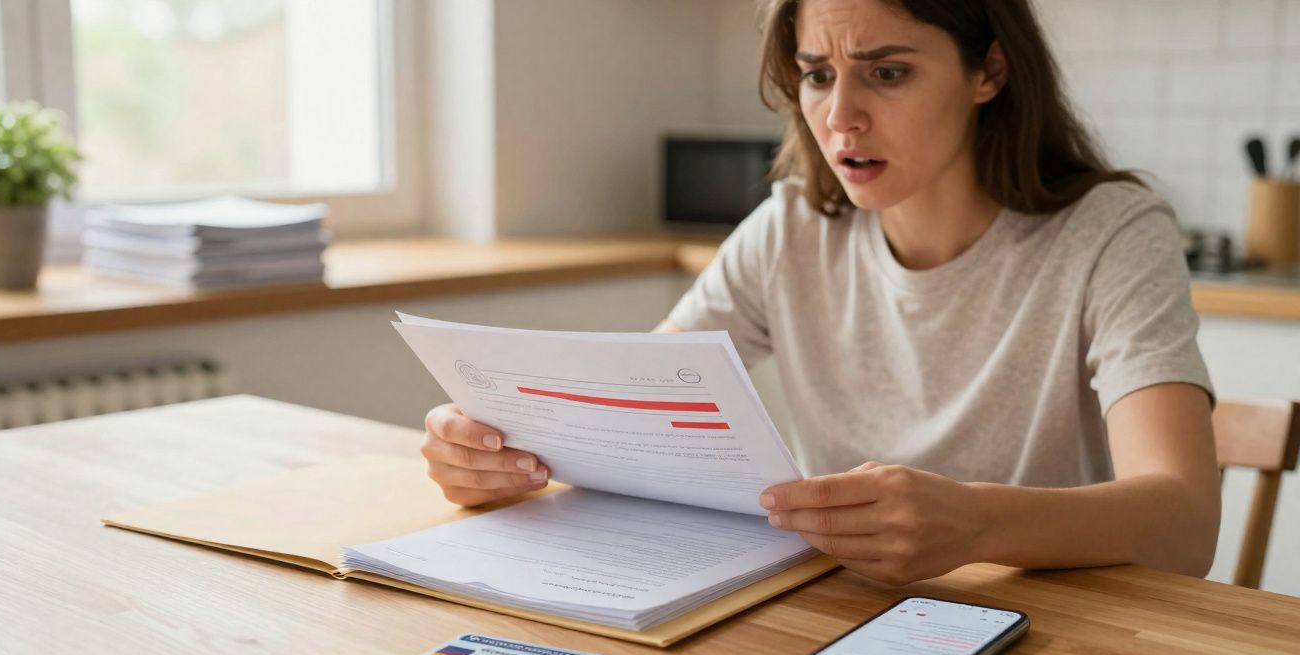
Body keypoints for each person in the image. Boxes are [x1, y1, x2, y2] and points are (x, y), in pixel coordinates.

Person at [418, 0, 1220, 587]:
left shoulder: (1112, 231)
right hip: (838, 614)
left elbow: (1185, 522)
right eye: (817, 75)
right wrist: (496, 450)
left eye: (888, 73)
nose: (842, 117)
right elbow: (633, 411)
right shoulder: (795, 225)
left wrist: (977, 522)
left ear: (990, 72)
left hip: (1051, 633)